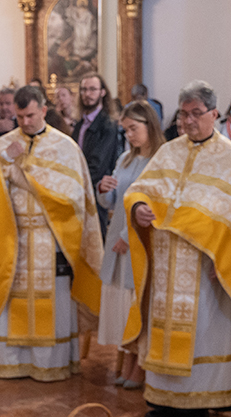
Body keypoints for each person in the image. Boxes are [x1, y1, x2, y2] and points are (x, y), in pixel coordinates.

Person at [124, 80, 231, 417]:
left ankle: (198, 404)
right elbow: (142, 189)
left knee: (202, 333)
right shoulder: (169, 151)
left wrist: (228, 258)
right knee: (164, 331)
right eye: (183, 114)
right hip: (167, 263)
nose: (188, 121)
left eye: (196, 114)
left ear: (214, 114)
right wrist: (139, 206)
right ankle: (163, 398)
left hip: (204, 266)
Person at [0, 85, 102, 382]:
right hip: (14, 238)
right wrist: (6, 160)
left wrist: (28, 182)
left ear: (44, 110)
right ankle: (13, 362)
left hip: (51, 237)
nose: (24, 122)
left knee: (53, 302)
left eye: (30, 115)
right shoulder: (4, 145)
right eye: (19, 116)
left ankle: (51, 364)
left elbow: (75, 198)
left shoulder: (65, 146)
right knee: (14, 299)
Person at [96, 100, 163, 389]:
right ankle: (125, 363)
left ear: (150, 125)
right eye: (125, 131)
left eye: (133, 129)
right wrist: (104, 190)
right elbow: (116, 201)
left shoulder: (160, 160)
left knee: (135, 302)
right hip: (118, 237)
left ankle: (140, 368)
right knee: (120, 303)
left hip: (140, 241)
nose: (129, 136)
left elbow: (156, 202)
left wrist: (128, 234)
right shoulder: (125, 158)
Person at [72, 72, 122, 213]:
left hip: (96, 191)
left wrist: (77, 185)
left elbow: (98, 164)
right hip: (80, 189)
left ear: (103, 92)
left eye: (93, 89)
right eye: (84, 89)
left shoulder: (107, 124)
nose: (87, 94)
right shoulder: (80, 123)